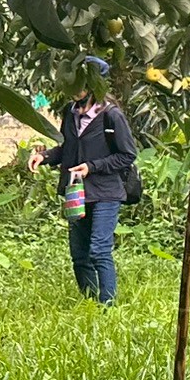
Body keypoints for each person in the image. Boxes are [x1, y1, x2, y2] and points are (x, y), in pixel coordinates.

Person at [28, 57, 137, 308]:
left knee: (99, 250)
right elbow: (68, 148)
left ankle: (107, 306)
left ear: (93, 84)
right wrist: (43, 157)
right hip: (76, 191)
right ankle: (89, 304)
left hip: (106, 192)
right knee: (79, 255)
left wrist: (93, 167)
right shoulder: (70, 112)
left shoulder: (111, 116)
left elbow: (127, 155)